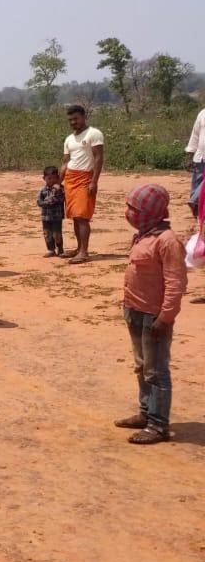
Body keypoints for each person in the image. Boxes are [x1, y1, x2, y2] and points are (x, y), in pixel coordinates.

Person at [114, 184, 187, 445]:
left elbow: (175, 284)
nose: (129, 213)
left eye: (135, 209)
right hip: (134, 310)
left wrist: (165, 317)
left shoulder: (168, 241)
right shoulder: (145, 235)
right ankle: (146, 413)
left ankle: (158, 425)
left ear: (151, 212)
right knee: (141, 366)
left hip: (153, 316)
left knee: (156, 372)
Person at [60, 105, 105, 264]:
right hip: (70, 180)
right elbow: (65, 162)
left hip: (85, 178)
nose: (73, 122)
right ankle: (78, 248)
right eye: (70, 120)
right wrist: (59, 182)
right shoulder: (69, 139)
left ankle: (84, 252)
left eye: (76, 119)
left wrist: (94, 181)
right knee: (74, 216)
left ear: (84, 117)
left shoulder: (94, 133)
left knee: (82, 216)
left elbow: (99, 158)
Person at [37, 166, 66, 257]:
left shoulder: (60, 189)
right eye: (49, 178)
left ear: (58, 178)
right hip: (45, 217)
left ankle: (60, 249)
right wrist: (46, 202)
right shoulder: (43, 190)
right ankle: (51, 250)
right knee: (47, 234)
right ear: (44, 178)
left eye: (54, 178)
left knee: (57, 234)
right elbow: (39, 201)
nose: (52, 181)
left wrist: (47, 202)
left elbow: (60, 199)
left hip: (57, 216)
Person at [185, 104, 205, 218]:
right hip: (200, 157)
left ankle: (195, 201)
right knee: (197, 185)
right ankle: (196, 207)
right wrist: (189, 153)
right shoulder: (202, 113)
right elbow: (195, 135)